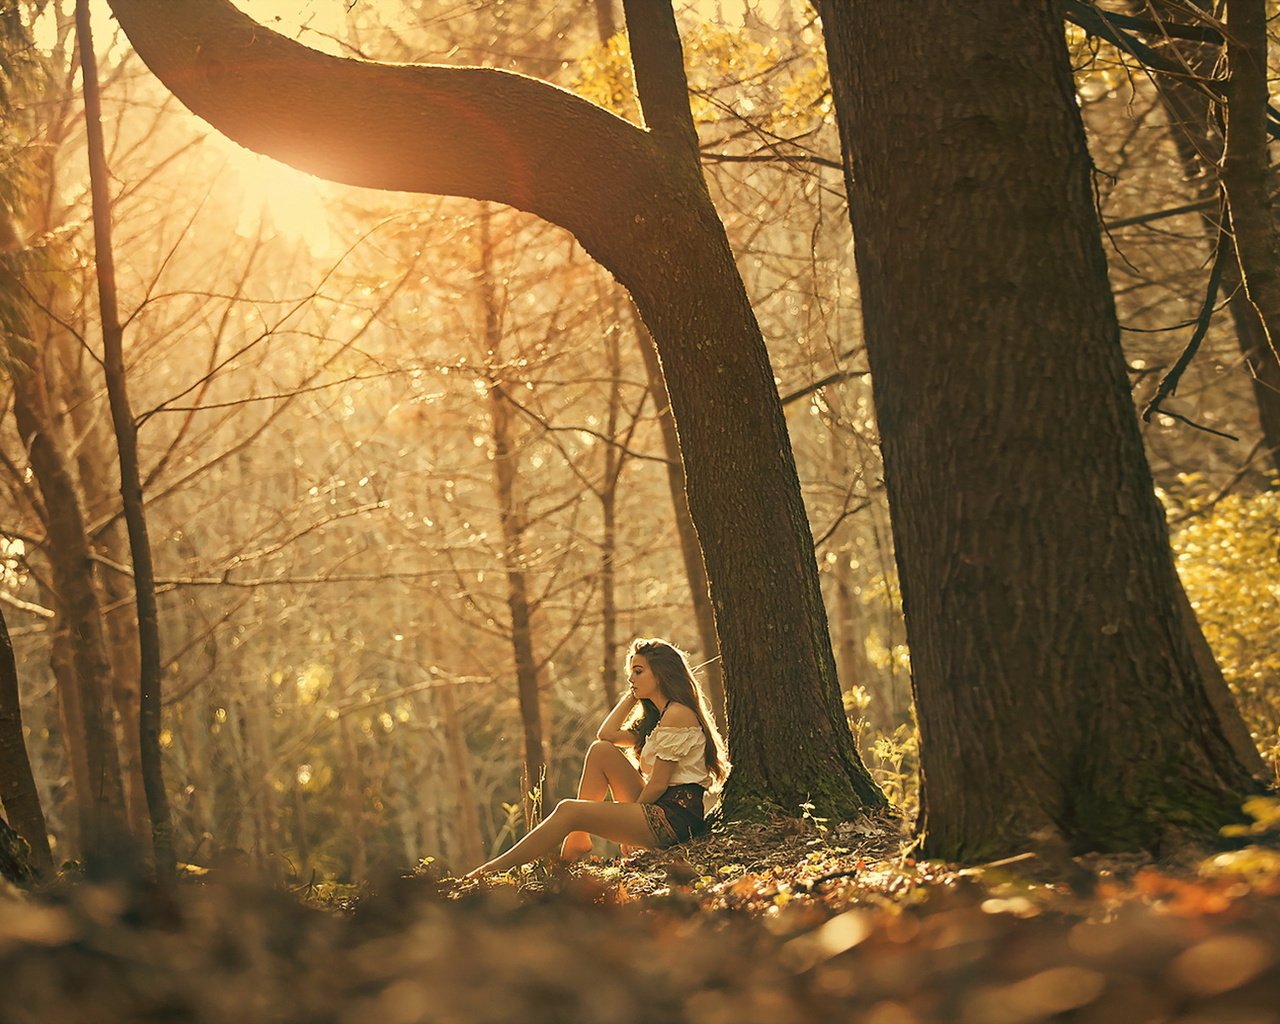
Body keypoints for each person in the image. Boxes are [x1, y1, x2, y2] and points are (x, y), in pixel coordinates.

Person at [466, 637, 728, 876]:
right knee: (600, 751)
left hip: (674, 817)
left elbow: (659, 784)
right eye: (630, 674)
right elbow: (607, 735)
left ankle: (490, 871)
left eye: (638, 672)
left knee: (569, 810)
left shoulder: (678, 713)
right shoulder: (658, 717)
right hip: (659, 806)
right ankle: (578, 840)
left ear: (661, 674)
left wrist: (629, 827)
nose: (631, 679)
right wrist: (631, 697)